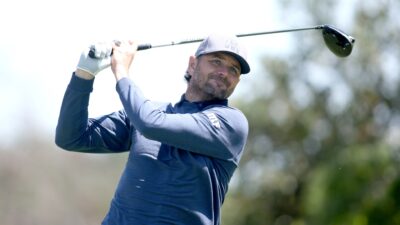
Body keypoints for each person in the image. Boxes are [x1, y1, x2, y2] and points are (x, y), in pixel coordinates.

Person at [55, 33, 251, 225]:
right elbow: (71, 137)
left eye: (234, 69)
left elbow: (150, 123)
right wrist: (84, 75)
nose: (224, 72)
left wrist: (121, 71)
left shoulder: (231, 123)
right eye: (216, 61)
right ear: (192, 64)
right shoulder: (150, 113)